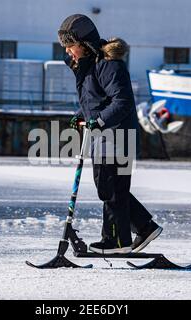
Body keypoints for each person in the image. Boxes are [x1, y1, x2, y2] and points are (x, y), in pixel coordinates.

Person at [58, 14, 163, 254]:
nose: (69, 53)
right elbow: (94, 100)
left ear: (84, 44)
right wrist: (81, 115)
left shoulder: (108, 65)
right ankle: (145, 227)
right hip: (105, 136)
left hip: (118, 135)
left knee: (111, 188)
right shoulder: (89, 67)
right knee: (112, 188)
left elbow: (122, 101)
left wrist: (100, 120)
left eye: (71, 46)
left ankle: (116, 240)